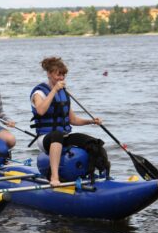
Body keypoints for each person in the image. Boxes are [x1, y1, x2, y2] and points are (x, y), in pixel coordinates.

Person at [30, 57, 103, 187]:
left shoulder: (63, 93)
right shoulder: (39, 92)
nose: (61, 78)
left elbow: (72, 120)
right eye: (58, 74)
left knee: (93, 143)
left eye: (63, 75)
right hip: (45, 138)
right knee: (57, 134)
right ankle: (54, 177)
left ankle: (95, 174)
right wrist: (54, 90)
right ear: (49, 74)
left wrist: (91, 121)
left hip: (63, 136)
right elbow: (41, 110)